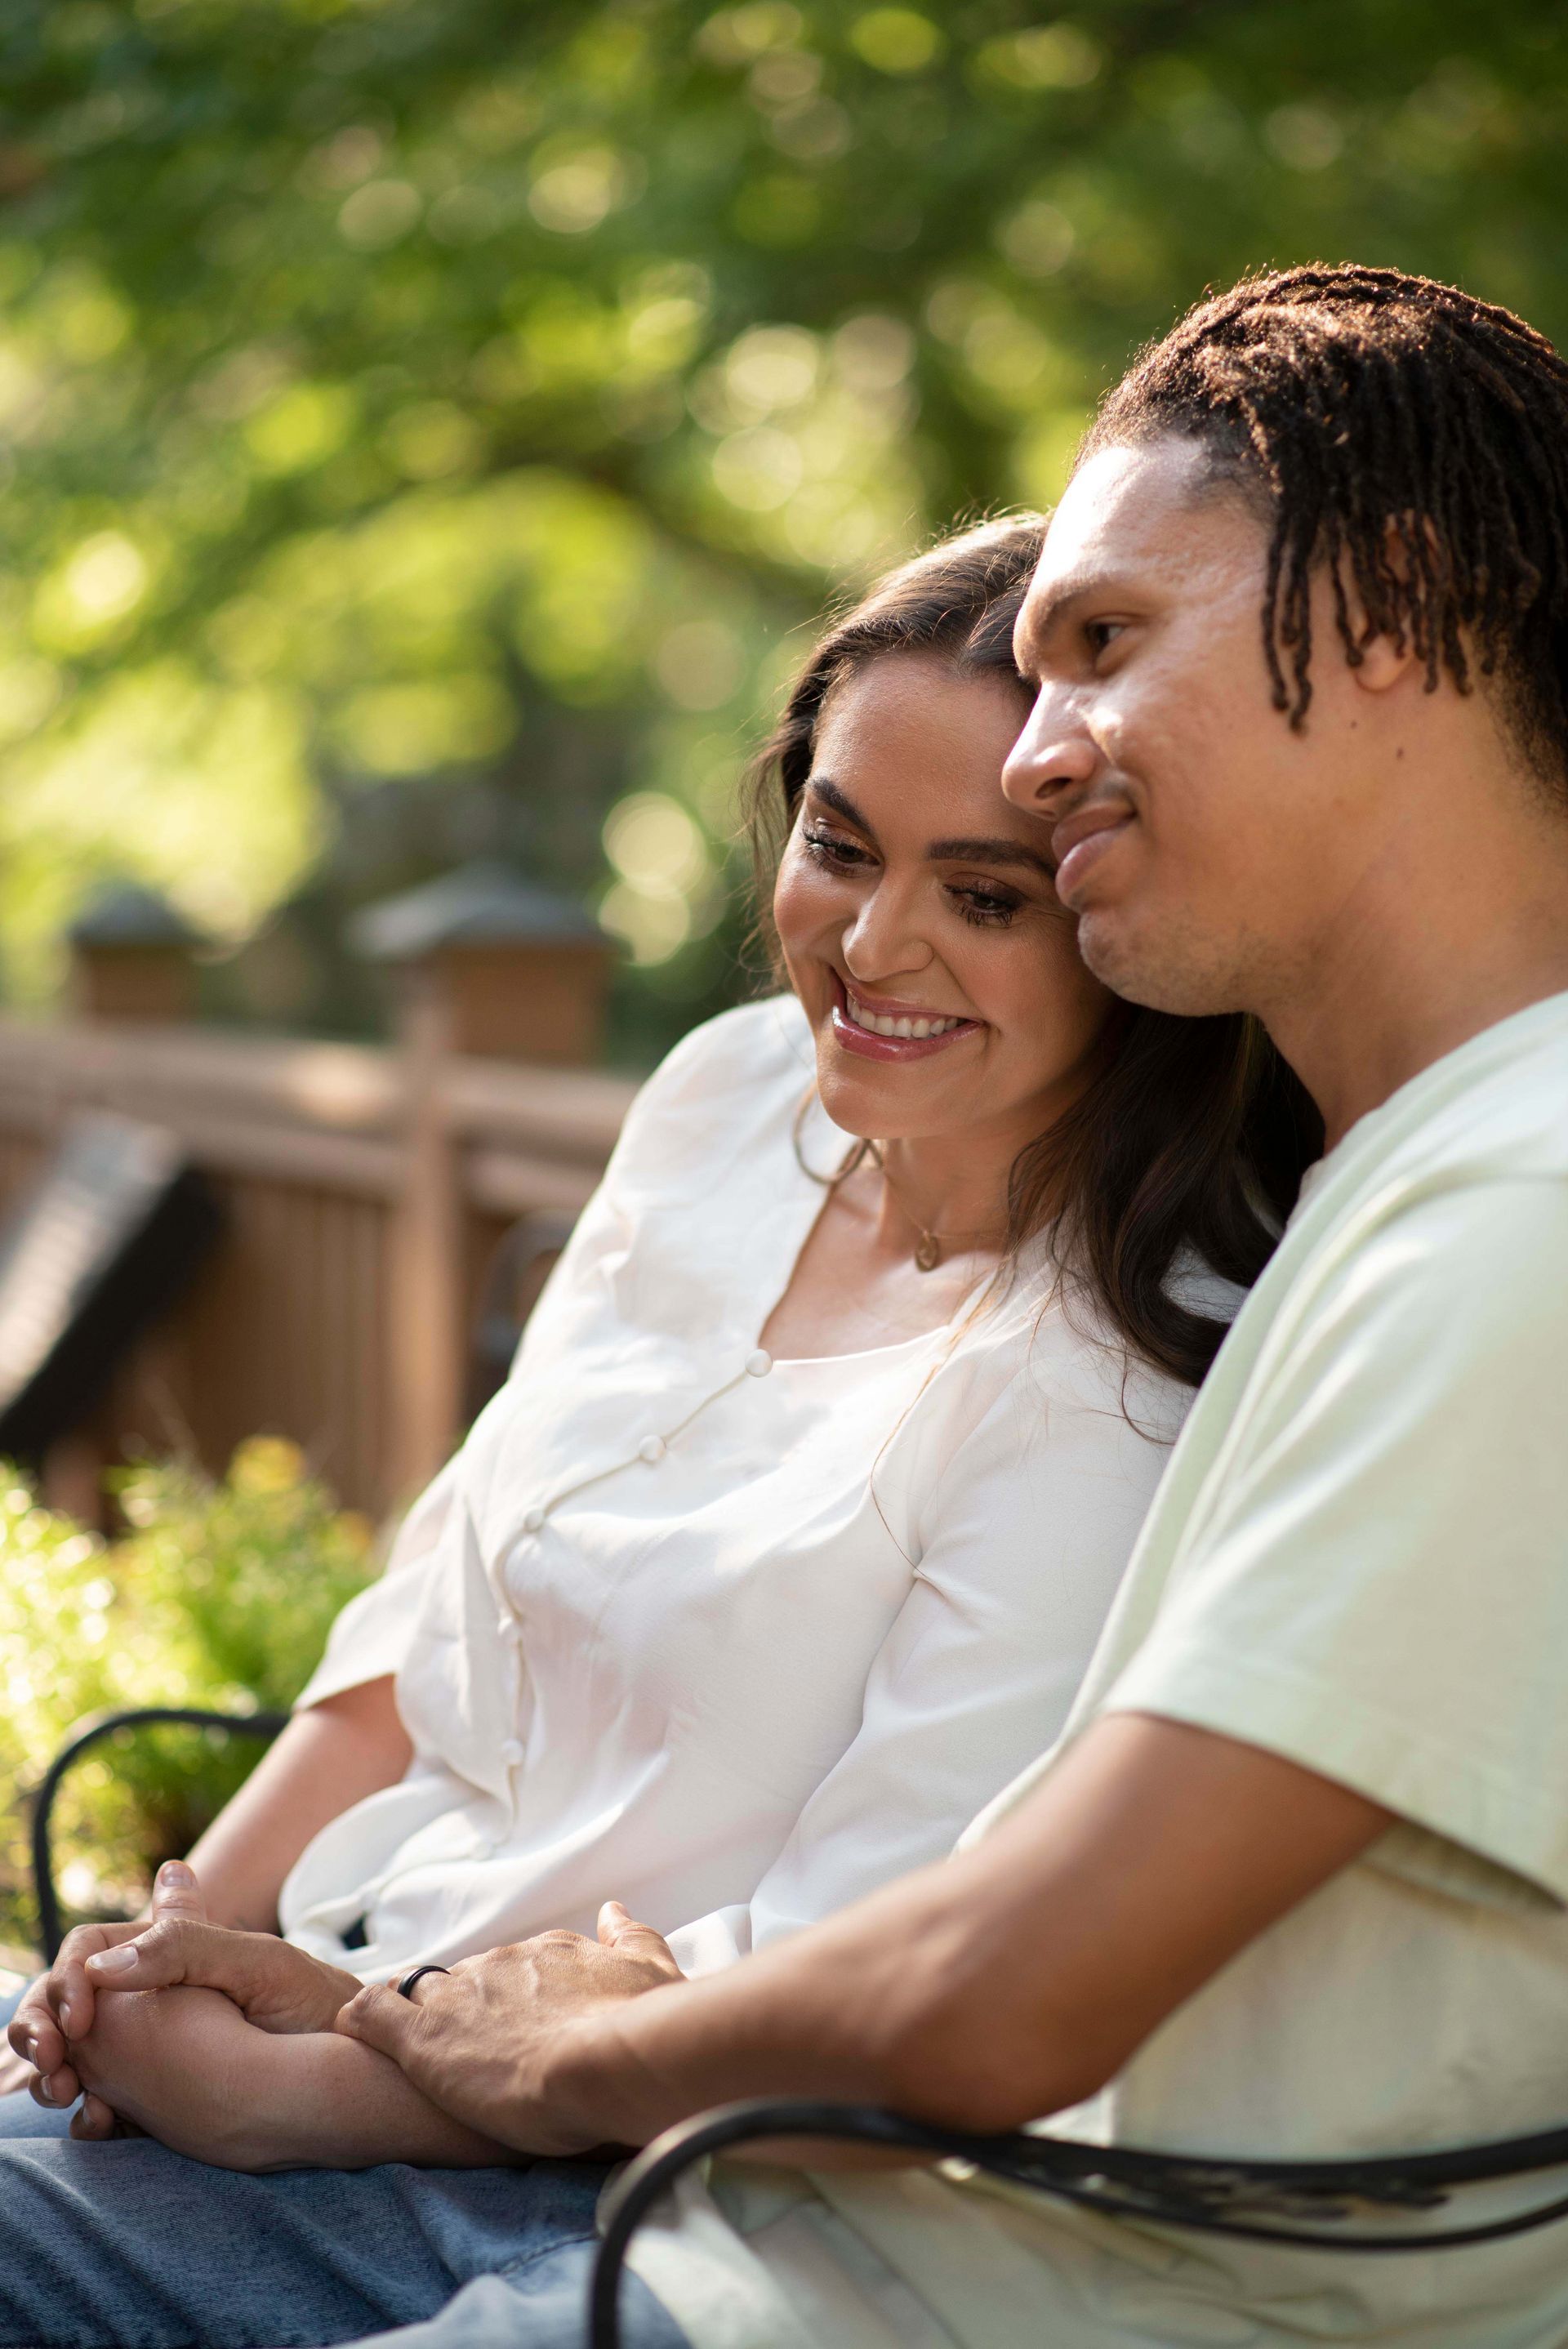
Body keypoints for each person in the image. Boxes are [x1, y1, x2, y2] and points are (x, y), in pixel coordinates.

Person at [131, 259, 1568, 2349]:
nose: (1049, 749)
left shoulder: (1511, 1211)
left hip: (890, 2269)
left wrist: (510, 2051)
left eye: (1101, 647)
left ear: (1390, 608)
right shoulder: (1410, 1177)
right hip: (822, 2229)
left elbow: (988, 1990)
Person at [0, 520, 1307, 2347]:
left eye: (988, 895)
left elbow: (846, 1978)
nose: (873, 941)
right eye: (839, 845)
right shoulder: (725, 1094)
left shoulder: (1117, 1380)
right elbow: (428, 1610)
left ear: (1111, 922)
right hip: (324, 1982)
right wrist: (175, 1940)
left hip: (595, 2173)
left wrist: (292, 2087)